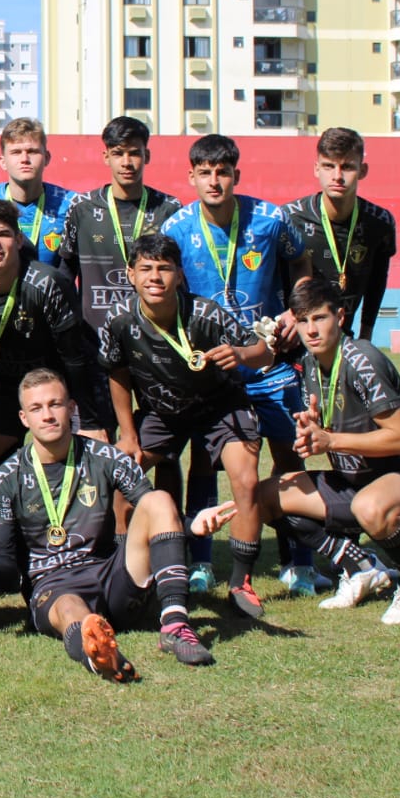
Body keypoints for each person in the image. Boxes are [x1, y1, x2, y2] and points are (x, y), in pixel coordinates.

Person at [0, 369, 213, 682]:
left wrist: (192, 525)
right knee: (72, 609)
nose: (47, 415)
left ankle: (175, 626)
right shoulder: (4, 480)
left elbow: (155, 512)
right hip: (53, 584)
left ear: (72, 409)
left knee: (159, 499)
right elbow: (6, 572)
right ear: (23, 418)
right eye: (36, 408)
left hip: (113, 575)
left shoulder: (106, 457)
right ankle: (96, 654)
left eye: (55, 404)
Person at [161, 134, 317, 594]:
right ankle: (203, 563)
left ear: (236, 176)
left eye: (222, 172)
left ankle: (299, 562)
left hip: (269, 364)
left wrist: (295, 310)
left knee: (289, 458)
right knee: (207, 462)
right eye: (205, 172)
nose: (214, 181)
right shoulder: (176, 228)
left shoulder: (272, 219)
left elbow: (301, 262)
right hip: (213, 368)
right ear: (191, 177)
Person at [99, 233, 275, 617]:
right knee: (119, 477)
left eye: (164, 268)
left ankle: (240, 582)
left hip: (220, 407)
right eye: (145, 268)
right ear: (130, 274)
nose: (155, 277)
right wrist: (128, 434)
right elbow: (117, 373)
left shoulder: (206, 313)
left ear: (179, 274)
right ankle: (126, 573)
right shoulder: (119, 319)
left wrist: (241, 353)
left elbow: (264, 352)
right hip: (162, 412)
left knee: (245, 480)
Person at [254, 279, 400, 623]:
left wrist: (331, 441)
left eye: (319, 318)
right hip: (354, 481)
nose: (310, 330)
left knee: (369, 506)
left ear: (340, 317)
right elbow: (332, 427)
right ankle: (359, 567)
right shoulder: (311, 365)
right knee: (265, 496)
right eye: (302, 321)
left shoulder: (362, 359)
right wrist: (314, 432)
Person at [0, 198, 110, 472]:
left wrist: (89, 422)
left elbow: (76, 360)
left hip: (56, 386)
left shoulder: (48, 283)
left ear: (19, 240)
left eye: (3, 234)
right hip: (0, 391)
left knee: (88, 466)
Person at [58, 115, 182, 334]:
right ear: (106, 157)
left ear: (147, 156)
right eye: (117, 153)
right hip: (94, 337)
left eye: (134, 153)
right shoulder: (81, 207)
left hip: (153, 336)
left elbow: (180, 277)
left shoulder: (169, 209)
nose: (126, 162)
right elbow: (67, 270)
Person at [283, 128, 397, 343]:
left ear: (362, 170)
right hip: (296, 340)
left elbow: (377, 281)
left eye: (347, 167)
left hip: (345, 339)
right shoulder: (289, 219)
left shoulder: (380, 222)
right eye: (328, 166)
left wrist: (366, 335)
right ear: (316, 169)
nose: (337, 176)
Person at [0, 118, 75, 268]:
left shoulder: (70, 204)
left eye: (32, 152)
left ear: (47, 158)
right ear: (3, 161)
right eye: (16, 152)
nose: (24, 159)